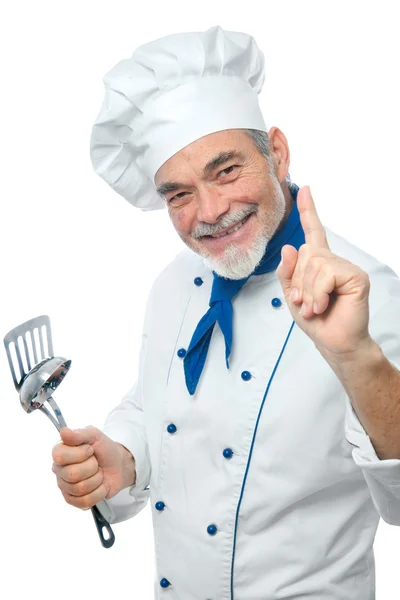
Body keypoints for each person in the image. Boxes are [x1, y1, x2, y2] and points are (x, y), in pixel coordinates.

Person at [51, 26, 400, 599]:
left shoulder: (367, 292)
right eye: (179, 194)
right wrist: (124, 457)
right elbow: (157, 404)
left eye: (226, 170)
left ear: (278, 154)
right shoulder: (174, 284)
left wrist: (357, 358)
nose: (210, 212)